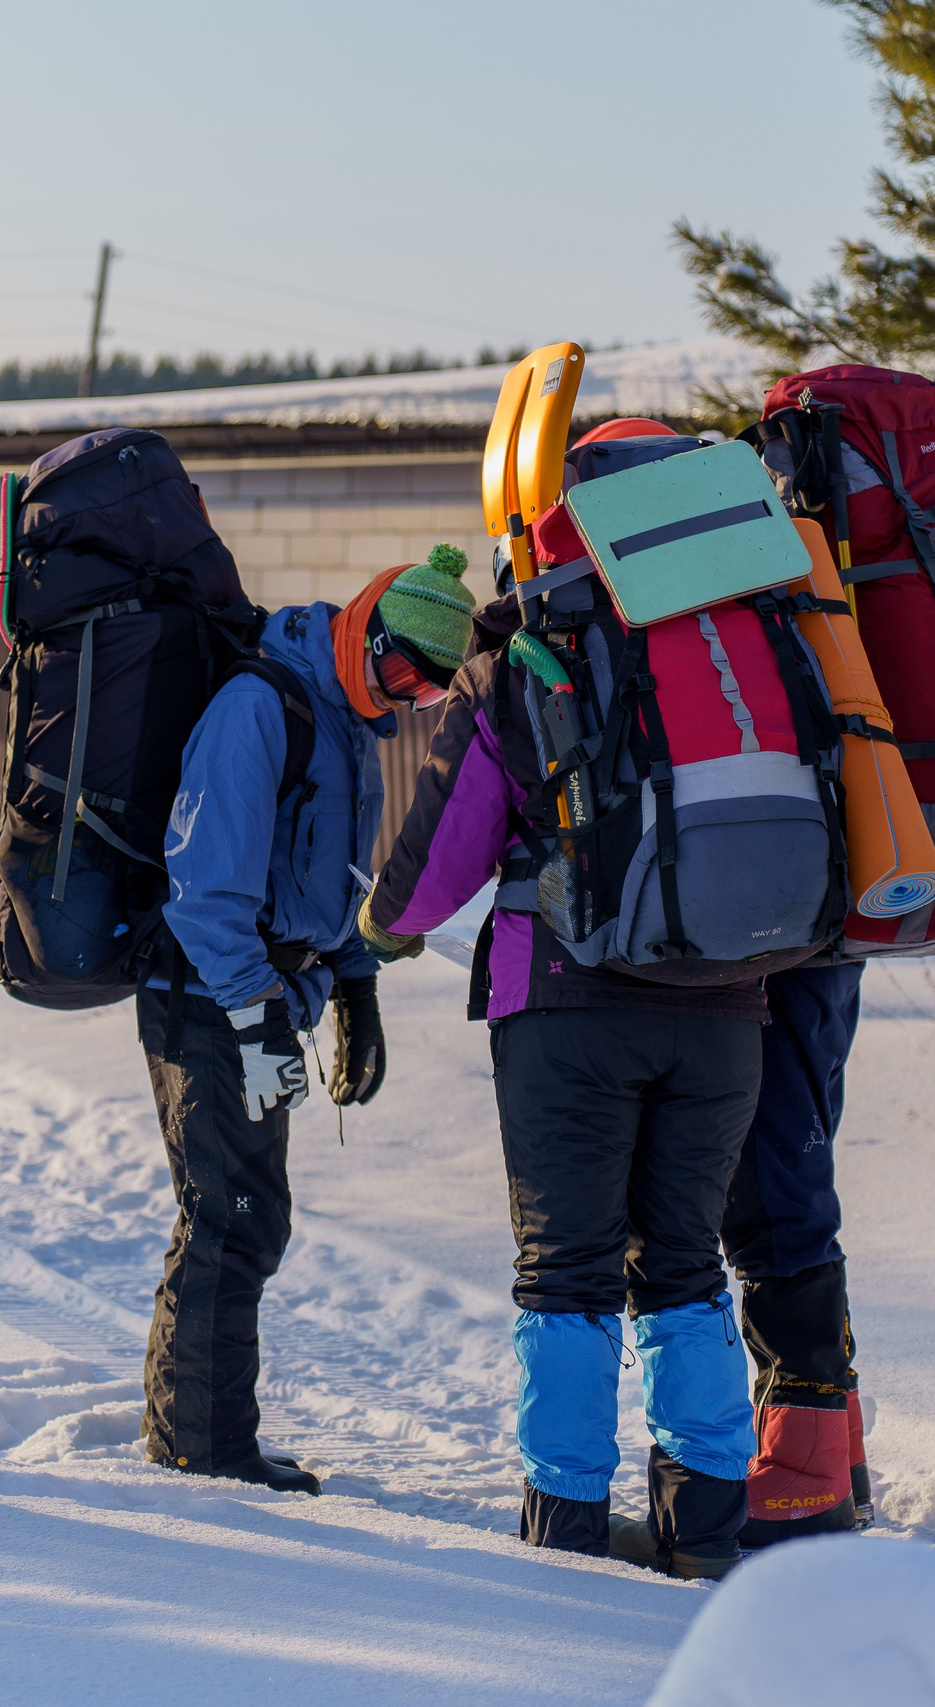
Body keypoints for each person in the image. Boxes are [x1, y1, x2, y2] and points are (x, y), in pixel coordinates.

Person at [359, 505, 771, 1581]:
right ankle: (705, 1534)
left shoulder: (525, 660)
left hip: (565, 1001)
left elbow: (447, 843)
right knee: (686, 1266)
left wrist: (385, 924)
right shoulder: (750, 634)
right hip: (728, 1004)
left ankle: (569, 1545)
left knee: (567, 1277)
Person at [139, 546, 475, 1494]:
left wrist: (356, 988)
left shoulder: (347, 722)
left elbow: (338, 882)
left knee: (244, 1212)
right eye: (399, 667)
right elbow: (206, 892)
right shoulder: (262, 707)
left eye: (427, 690)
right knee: (233, 1214)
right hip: (209, 990)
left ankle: (190, 1431)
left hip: (266, 993)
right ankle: (202, 1446)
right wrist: (252, 1020)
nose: (404, 695)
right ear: (365, 623)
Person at [725, 962, 871, 1544]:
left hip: (773, 958)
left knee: (777, 1212)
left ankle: (806, 1477)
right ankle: (837, 1457)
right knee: (796, 1199)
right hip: (818, 950)